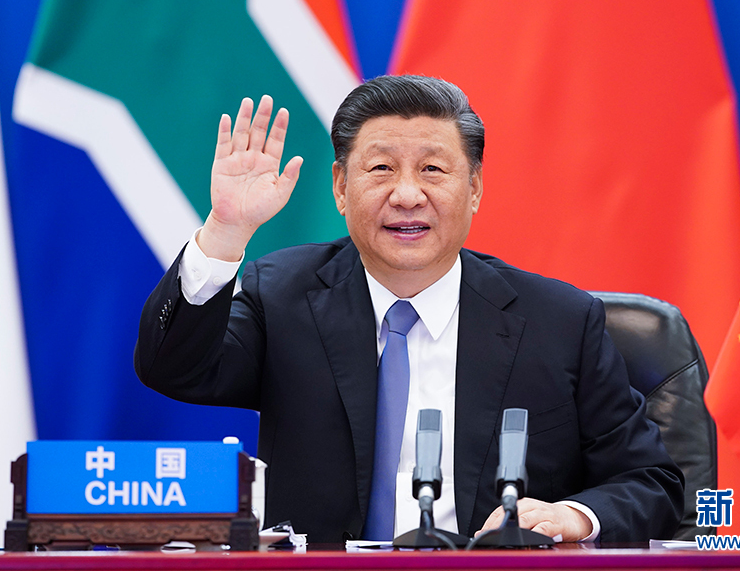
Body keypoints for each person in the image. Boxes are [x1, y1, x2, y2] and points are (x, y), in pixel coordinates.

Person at [135, 75, 683, 545]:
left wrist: (572, 516)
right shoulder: (281, 296)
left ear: (474, 188)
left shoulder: (559, 321)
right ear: (340, 187)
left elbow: (650, 482)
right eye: (380, 168)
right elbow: (174, 369)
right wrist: (226, 232)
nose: (406, 195)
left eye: (432, 170)